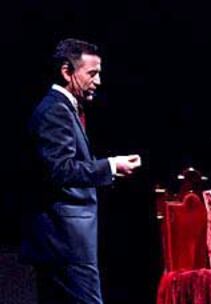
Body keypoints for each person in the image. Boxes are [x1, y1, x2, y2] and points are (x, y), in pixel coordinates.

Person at [20, 38, 141, 304]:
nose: (98, 82)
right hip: (64, 240)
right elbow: (60, 170)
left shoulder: (64, 108)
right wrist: (111, 165)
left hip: (65, 238)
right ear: (67, 71)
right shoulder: (55, 111)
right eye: (92, 73)